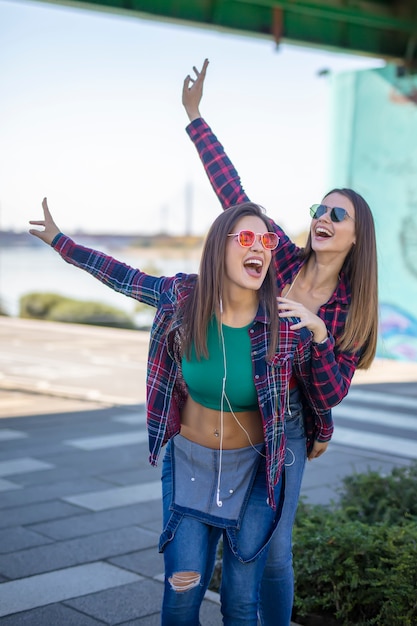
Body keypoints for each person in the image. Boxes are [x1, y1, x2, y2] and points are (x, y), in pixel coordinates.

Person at [30, 198, 347, 626]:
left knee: (239, 603)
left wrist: (322, 338)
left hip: (255, 476)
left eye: (267, 240)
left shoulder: (284, 324)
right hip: (190, 467)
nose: (260, 248)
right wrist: (59, 241)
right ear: (220, 247)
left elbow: (317, 394)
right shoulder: (183, 297)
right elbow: (123, 277)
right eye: (247, 238)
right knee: (182, 591)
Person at [182, 59, 379, 626]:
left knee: (273, 552)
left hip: (286, 428)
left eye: (336, 213)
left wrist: (317, 335)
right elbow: (235, 196)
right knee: (227, 541)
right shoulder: (282, 261)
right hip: (236, 414)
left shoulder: (348, 308)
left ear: (354, 234)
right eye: (319, 207)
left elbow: (331, 391)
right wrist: (197, 119)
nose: (322, 215)